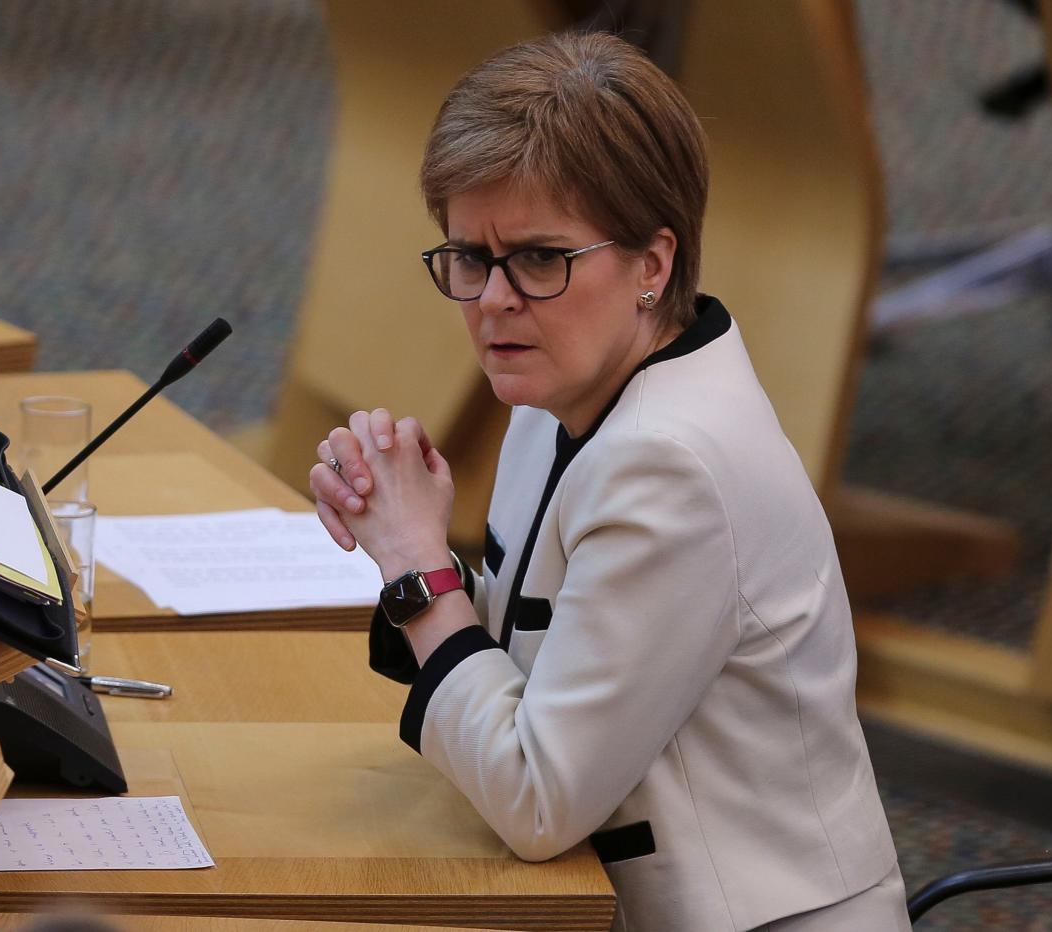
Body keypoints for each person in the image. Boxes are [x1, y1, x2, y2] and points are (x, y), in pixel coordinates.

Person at [309, 31, 911, 932]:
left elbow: (538, 800)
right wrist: (411, 537)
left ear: (652, 264)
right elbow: (558, 640)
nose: (493, 300)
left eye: (541, 259)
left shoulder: (673, 466)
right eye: (469, 256)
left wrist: (418, 569)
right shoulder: (557, 389)